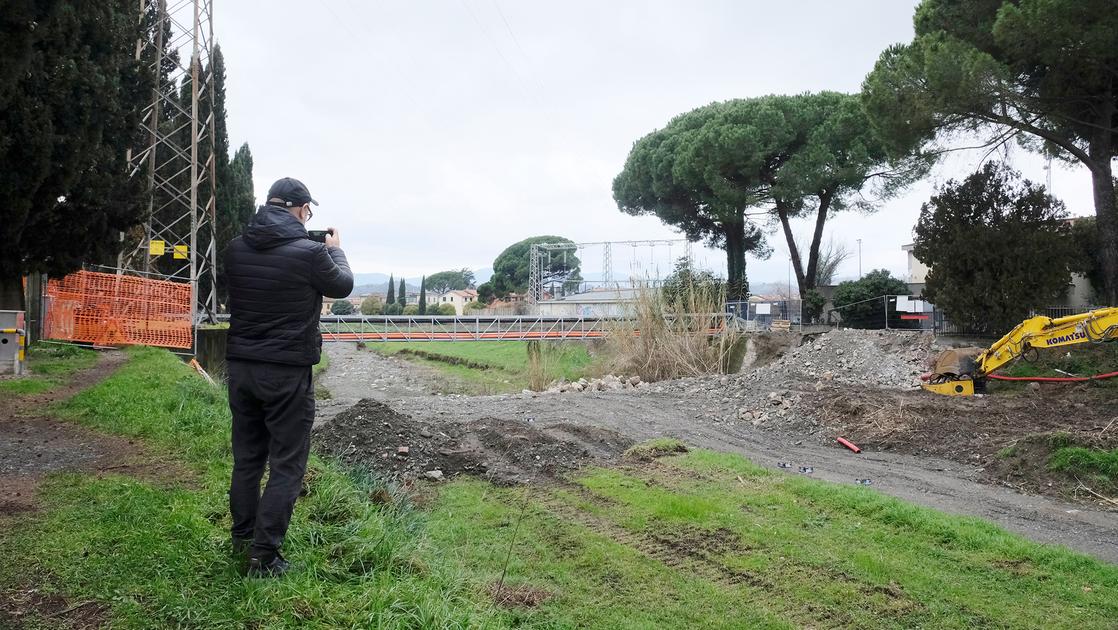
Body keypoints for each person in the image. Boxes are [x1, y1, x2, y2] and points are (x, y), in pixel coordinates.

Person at [223, 177, 353, 577]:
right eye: (308, 210)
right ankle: (264, 558)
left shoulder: (234, 248)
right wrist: (337, 250)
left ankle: (242, 538)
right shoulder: (312, 253)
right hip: (285, 372)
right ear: (299, 209)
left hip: (241, 366)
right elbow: (343, 286)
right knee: (286, 464)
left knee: (247, 459)